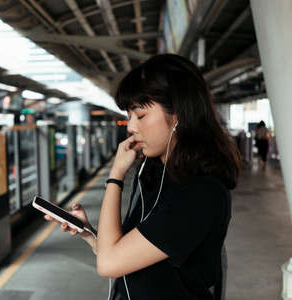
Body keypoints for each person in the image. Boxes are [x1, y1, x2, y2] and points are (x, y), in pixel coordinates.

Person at [44, 54, 241, 300]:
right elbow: (127, 255)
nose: (131, 127)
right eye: (129, 116)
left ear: (178, 112)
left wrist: (115, 175)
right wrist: (90, 233)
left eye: (141, 115)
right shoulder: (157, 173)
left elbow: (109, 263)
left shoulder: (199, 192)